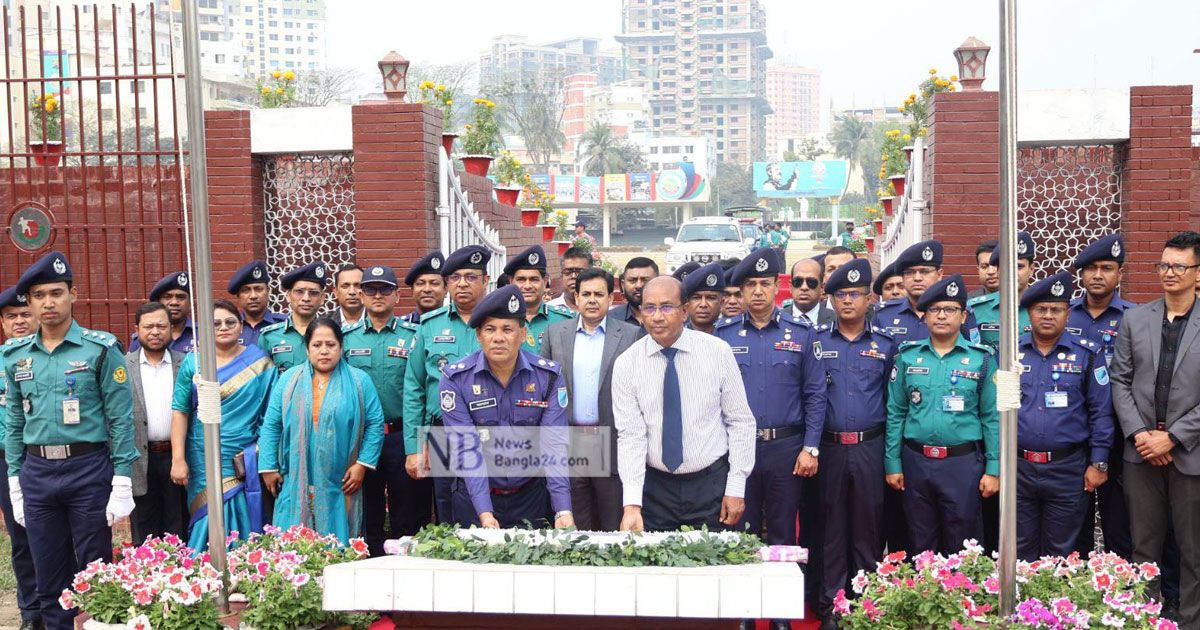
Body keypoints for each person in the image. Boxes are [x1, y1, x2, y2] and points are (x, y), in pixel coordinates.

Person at [4, 251, 138, 629]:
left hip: (88, 469)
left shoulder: (100, 348)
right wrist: (15, 478)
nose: (49, 302)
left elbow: (120, 418)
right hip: (38, 472)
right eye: (40, 295)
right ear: (29, 303)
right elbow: (14, 421)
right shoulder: (15, 357)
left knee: (95, 571)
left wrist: (123, 477)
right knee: (47, 573)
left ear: (73, 294)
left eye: (57, 293)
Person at [716, 249, 826, 630]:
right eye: (751, 285)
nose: (758, 291)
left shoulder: (800, 335)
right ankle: (745, 612)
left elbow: (815, 394)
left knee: (782, 530)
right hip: (739, 449)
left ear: (778, 288)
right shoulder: (723, 337)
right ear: (741, 292)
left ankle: (781, 613)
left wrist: (810, 446)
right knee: (741, 530)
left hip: (785, 448)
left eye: (765, 284)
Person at [613, 276, 756, 533]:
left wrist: (736, 487)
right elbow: (631, 436)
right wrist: (632, 504)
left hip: (710, 484)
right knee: (658, 569)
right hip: (655, 488)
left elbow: (740, 422)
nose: (657, 317)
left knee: (713, 568)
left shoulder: (717, 352)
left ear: (684, 310)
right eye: (649, 308)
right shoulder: (627, 364)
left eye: (666, 307)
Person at [1110, 231, 1200, 627]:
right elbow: (1119, 381)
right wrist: (1141, 434)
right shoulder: (1135, 318)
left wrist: (1175, 436)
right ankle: (1143, 618)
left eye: (1179, 266)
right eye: (1164, 264)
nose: (1169, 273)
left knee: (1193, 551)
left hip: (1190, 454)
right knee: (1143, 548)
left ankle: (1191, 620)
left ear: (1197, 273)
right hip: (1141, 453)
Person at [439, 285, 573, 528]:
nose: (498, 337)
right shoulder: (455, 379)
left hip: (531, 495)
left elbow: (554, 444)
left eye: (507, 329)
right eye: (490, 329)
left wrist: (562, 509)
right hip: (475, 496)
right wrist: (485, 514)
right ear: (479, 335)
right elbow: (466, 448)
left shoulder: (548, 376)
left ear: (522, 334)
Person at [885, 275, 999, 555]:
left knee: (963, 543)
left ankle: (962, 598)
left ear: (963, 316)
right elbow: (896, 412)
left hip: (962, 464)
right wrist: (892, 462)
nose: (941, 316)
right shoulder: (907, 357)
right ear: (924, 316)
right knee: (919, 541)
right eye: (935, 310)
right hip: (917, 462)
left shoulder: (982, 359)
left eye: (950, 310)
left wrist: (994, 469)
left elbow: (992, 417)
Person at [812, 259, 895, 630]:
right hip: (828, 447)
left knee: (868, 528)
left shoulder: (885, 345)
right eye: (840, 295)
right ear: (830, 300)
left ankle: (866, 604)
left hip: (869, 447)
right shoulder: (815, 342)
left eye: (855, 294)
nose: (848, 301)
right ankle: (832, 605)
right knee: (831, 529)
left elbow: (894, 403)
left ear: (869, 298)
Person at [259, 317, 385, 543]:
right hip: (296, 475)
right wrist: (268, 465)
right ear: (307, 349)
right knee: (293, 538)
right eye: (317, 345)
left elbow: (375, 424)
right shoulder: (289, 379)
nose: (324, 351)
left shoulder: (359, 381)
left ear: (341, 347)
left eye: (331, 345)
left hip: (342, 478)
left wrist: (362, 465)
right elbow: (272, 423)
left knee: (340, 538)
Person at [1014, 272, 1112, 560]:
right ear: (1029, 313)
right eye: (1040, 309)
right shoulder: (1009, 352)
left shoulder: (1088, 354)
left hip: (1067, 468)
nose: (1047, 316)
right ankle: (1022, 605)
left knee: (1062, 551)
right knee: (1021, 549)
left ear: (1067, 314)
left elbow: (1101, 412)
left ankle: (1058, 605)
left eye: (1055, 310)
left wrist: (1099, 463)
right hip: (1018, 467)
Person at [169, 299, 277, 551]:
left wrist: (260, 451)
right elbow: (180, 412)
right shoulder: (193, 362)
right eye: (215, 323)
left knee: (243, 516)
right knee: (206, 516)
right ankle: (204, 574)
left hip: (244, 454)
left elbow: (272, 414)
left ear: (241, 327)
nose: (223, 327)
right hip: (201, 454)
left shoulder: (260, 363)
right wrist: (178, 459)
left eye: (230, 322)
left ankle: (245, 572)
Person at [541, 268, 638, 531]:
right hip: (571, 441)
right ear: (577, 297)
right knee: (576, 524)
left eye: (599, 294)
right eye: (586, 294)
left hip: (611, 440)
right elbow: (545, 387)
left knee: (613, 523)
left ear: (611, 298)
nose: (592, 300)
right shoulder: (555, 334)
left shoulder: (631, 335)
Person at [342, 265, 429, 555]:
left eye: (385, 289)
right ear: (361, 295)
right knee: (368, 509)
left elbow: (419, 388)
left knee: (408, 508)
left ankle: (407, 566)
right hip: (362, 438)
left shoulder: (414, 335)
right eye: (370, 289)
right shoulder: (347, 338)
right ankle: (371, 561)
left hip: (400, 435)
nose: (377, 295)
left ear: (397, 295)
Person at [403, 245, 491, 522]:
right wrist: (414, 447)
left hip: (490, 430)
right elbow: (414, 388)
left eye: (471, 276)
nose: (462, 284)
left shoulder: (499, 323)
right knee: (447, 508)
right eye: (455, 278)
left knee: (492, 505)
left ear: (486, 280)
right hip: (442, 433)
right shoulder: (429, 325)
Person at [1066, 234, 1140, 562]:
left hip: (1121, 434)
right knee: (1074, 519)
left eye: (1107, 268)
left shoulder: (1135, 318)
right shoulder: (1065, 315)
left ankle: (1120, 592)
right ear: (1080, 275)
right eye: (1091, 268)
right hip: (1074, 432)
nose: (1098, 275)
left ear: (1120, 274)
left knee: (1119, 519)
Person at [127, 302, 187, 545]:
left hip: (177, 457)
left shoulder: (186, 363)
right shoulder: (122, 365)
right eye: (148, 326)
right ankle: (145, 578)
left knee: (179, 524)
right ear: (137, 329)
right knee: (143, 528)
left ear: (171, 329)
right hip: (139, 458)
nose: (155, 332)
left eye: (161, 326)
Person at [0, 286, 42, 630]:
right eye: (11, 316)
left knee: (62, 535)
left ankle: (64, 602)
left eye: (25, 314)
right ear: (2, 323)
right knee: (21, 536)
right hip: (7, 461)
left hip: (48, 457)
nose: (19, 321)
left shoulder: (51, 356)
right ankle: (31, 612)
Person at [970, 231, 1036, 353]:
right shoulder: (976, 309)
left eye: (1019, 267)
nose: (1013, 272)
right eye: (1007, 266)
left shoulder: (1044, 309)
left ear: (1031, 269)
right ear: (999, 271)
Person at [258, 262, 329, 373]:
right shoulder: (269, 337)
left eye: (313, 293)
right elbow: (264, 381)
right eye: (299, 292)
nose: (306, 298)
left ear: (322, 298)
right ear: (288, 296)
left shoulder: (333, 334)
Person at [504, 245, 574, 353]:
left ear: (545, 282)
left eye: (534, 279)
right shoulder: (499, 320)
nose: (527, 286)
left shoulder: (566, 319)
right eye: (521, 280)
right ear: (511, 281)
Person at [131, 271, 195, 353]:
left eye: (181, 297)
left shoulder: (202, 334)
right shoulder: (141, 338)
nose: (174, 302)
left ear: (190, 303)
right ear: (158, 303)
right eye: (167, 297)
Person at [228, 260, 285, 347]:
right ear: (238, 296)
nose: (253, 296)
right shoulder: (227, 328)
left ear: (268, 291)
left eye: (258, 289)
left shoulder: (284, 326)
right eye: (246, 290)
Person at [608, 257, 658, 328]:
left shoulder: (670, 317)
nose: (639, 285)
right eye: (632, 280)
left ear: (658, 282)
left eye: (645, 280)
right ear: (623, 285)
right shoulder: (609, 319)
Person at [783, 258, 834, 326]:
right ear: (791, 286)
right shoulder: (776, 320)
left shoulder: (837, 321)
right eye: (798, 281)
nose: (804, 287)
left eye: (811, 282)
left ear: (822, 287)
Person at [403, 251, 447, 324]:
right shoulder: (400, 329)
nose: (427, 289)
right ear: (412, 290)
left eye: (434, 283)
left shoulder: (458, 326)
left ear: (446, 289)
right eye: (420, 283)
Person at [682, 262, 726, 334]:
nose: (703, 304)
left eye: (711, 298)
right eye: (696, 298)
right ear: (687, 303)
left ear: (722, 303)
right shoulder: (675, 336)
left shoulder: (733, 335)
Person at [549, 247, 593, 311]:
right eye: (568, 272)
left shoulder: (601, 311)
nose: (573, 276)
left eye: (579, 271)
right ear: (561, 276)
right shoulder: (550, 309)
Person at [330, 264, 365, 328]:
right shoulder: (324, 324)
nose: (352, 292)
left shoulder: (380, 321)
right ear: (335, 292)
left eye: (358, 286)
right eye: (345, 286)